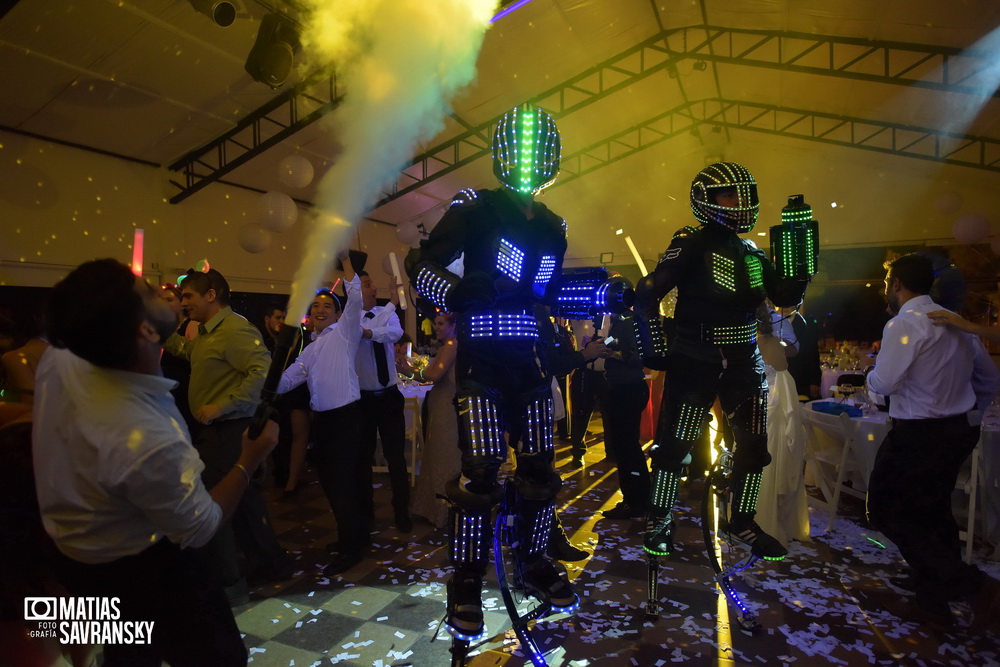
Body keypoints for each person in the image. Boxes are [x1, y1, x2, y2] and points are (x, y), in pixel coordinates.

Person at [32, 258, 279, 666]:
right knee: (217, 657)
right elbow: (199, 526)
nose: (166, 290)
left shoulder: (62, 358)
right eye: (148, 291)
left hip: (72, 557)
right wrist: (249, 458)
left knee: (126, 653)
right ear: (144, 330)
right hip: (139, 569)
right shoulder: (145, 435)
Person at [406, 103, 578, 640]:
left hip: (529, 361)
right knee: (479, 472)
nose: (529, 158)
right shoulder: (473, 206)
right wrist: (454, 289)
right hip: (481, 358)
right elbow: (420, 265)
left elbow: (547, 293)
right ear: (505, 152)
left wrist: (600, 294)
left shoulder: (553, 225)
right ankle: (465, 577)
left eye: (538, 148)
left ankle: (533, 561)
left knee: (539, 475)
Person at [635, 161, 811, 561]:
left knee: (754, 450)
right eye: (730, 194)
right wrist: (653, 345)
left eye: (743, 193)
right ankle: (659, 519)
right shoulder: (691, 240)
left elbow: (783, 293)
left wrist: (798, 250)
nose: (740, 202)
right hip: (694, 360)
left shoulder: (750, 249)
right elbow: (649, 291)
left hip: (745, 362)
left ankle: (743, 521)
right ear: (708, 199)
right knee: (673, 449)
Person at [866, 253, 1000, 632]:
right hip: (956, 431)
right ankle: (932, 597)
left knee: (887, 510)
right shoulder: (953, 322)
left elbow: (885, 384)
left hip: (918, 434)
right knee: (934, 511)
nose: (885, 290)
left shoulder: (903, 323)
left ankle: (974, 587)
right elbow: (989, 379)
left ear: (897, 285)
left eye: (886, 282)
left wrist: (869, 385)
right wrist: (970, 414)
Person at [165, 267, 290, 601]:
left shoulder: (235, 328)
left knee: (214, 502)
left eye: (188, 296)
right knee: (244, 501)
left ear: (210, 296)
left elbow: (262, 373)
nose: (184, 302)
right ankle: (270, 564)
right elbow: (188, 352)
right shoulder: (205, 333)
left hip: (228, 429)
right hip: (219, 431)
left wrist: (222, 406)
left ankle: (228, 583)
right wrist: (162, 331)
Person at [277, 251, 369, 575]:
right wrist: (261, 386)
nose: (319, 310)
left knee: (343, 485)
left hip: (345, 419)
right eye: (315, 306)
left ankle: (352, 549)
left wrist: (345, 260)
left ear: (338, 313)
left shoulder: (345, 333)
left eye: (327, 306)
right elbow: (290, 378)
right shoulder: (312, 347)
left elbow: (354, 294)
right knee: (331, 484)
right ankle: (349, 540)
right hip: (325, 423)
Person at [356, 269, 411, 533]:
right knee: (363, 458)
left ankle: (402, 512)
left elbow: (394, 335)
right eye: (368, 284)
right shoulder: (346, 321)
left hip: (389, 397)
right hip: (362, 401)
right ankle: (365, 515)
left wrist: (369, 333)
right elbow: (353, 335)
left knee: (396, 458)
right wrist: (365, 331)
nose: (373, 288)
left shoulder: (385, 316)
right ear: (355, 289)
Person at [754, 303, 810, 547]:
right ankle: (781, 521)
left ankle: (763, 522)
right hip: (773, 405)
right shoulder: (773, 340)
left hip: (768, 408)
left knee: (763, 462)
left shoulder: (753, 341)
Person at [597, 308, 652, 520]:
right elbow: (615, 340)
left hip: (627, 389)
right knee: (625, 447)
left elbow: (637, 358)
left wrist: (610, 353)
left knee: (627, 448)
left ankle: (634, 501)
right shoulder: (618, 322)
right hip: (622, 388)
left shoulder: (628, 322)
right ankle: (637, 498)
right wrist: (603, 343)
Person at [411, 312, 461, 528]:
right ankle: (434, 510)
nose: (436, 327)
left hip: (446, 410)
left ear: (453, 325)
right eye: (436, 323)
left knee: (444, 456)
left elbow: (433, 376)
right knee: (436, 455)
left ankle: (445, 512)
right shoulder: (446, 346)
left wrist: (409, 371)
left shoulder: (452, 344)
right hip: (441, 408)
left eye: (441, 323)